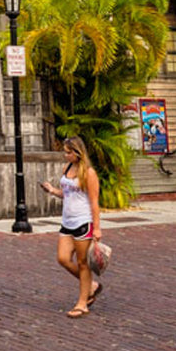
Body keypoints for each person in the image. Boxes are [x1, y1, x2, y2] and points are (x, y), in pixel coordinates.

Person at [39, 135, 103, 318]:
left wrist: (96, 228)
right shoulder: (67, 168)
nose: (65, 155)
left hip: (83, 221)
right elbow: (66, 194)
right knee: (63, 258)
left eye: (68, 152)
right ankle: (90, 286)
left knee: (84, 263)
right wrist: (52, 190)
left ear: (77, 152)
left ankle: (82, 303)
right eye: (65, 152)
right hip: (67, 221)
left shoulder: (88, 173)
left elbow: (94, 201)